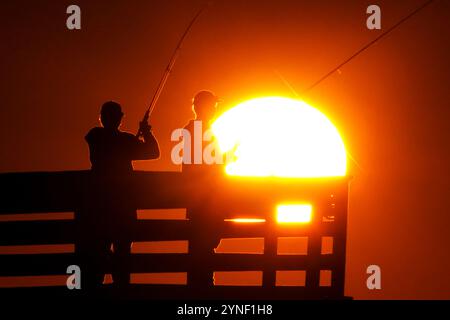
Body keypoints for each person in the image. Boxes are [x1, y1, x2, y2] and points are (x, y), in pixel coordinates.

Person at [80, 100, 159, 292]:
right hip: (123, 205)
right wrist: (145, 132)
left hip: (99, 205)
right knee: (122, 250)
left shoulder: (96, 136)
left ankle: (95, 287)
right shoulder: (125, 140)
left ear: (102, 117)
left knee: (99, 249)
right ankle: (121, 288)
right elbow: (153, 152)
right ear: (120, 118)